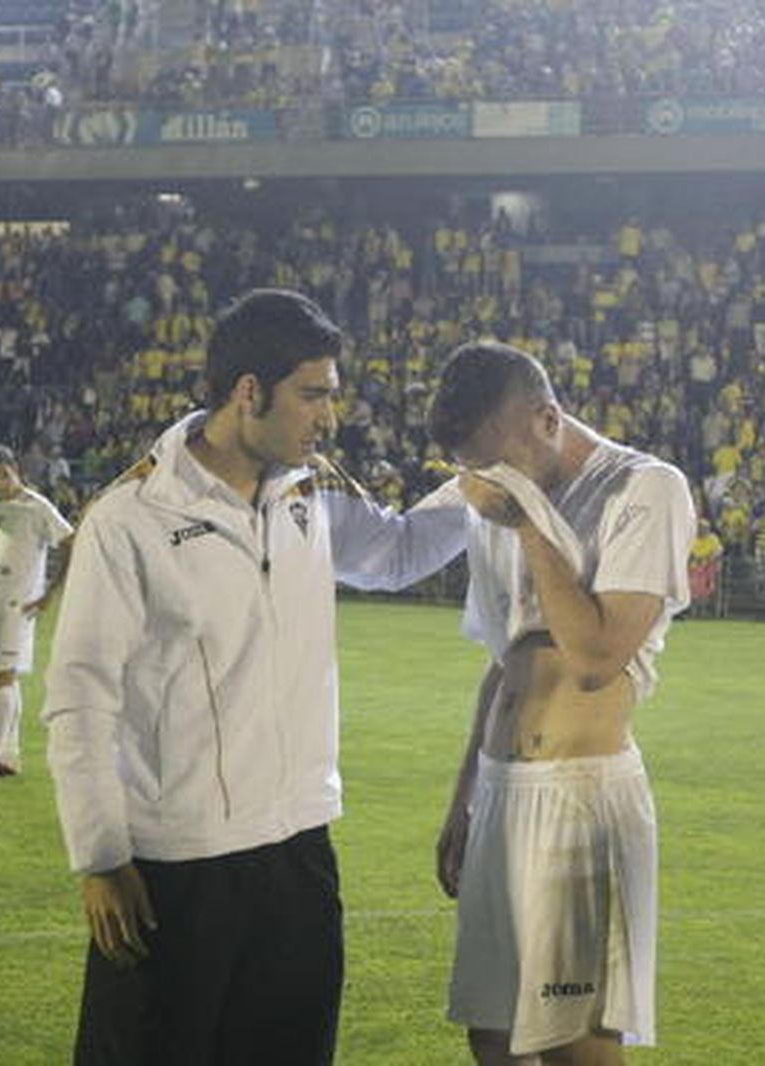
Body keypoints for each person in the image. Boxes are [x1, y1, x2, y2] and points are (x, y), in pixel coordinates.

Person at [42, 288, 467, 1065]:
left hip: (299, 852)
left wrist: (482, 478)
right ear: (248, 392)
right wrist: (100, 858)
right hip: (177, 866)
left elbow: (399, 551)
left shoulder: (312, 494)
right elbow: (81, 695)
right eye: (313, 395)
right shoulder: (131, 517)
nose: (329, 417)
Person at [428, 341, 695, 1066]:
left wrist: (526, 524)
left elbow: (596, 658)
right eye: (476, 470)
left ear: (548, 419)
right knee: (492, 1036)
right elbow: (503, 666)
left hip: (581, 801)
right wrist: (464, 799)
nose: (488, 484)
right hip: (500, 795)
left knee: (576, 1043)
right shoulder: (496, 503)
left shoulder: (645, 488)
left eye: (499, 463)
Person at [0, 444, 74, 788]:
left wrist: (49, 593)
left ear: (16, 469)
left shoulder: (38, 507)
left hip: (19, 606)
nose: (0, 483)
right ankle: (9, 756)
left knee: (3, 677)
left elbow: (71, 542)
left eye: (4, 475)